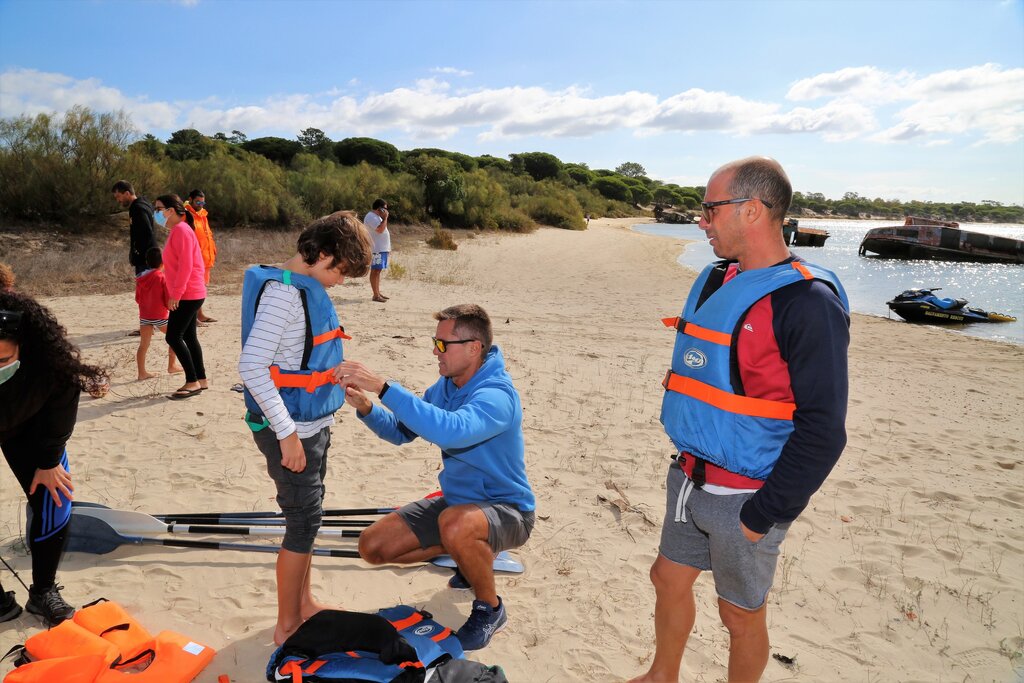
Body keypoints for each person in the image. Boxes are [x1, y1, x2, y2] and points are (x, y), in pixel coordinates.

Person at [630, 157, 850, 683]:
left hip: (747, 494)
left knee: (739, 614)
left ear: (751, 210)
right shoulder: (713, 280)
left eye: (710, 208)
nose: (701, 220)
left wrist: (763, 516)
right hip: (687, 476)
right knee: (667, 577)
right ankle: (663, 675)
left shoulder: (807, 302)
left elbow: (825, 430)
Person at [336, 304, 536, 652]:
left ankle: (491, 608)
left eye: (443, 344)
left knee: (456, 524)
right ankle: (468, 556)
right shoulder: (446, 385)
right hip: (458, 506)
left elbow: (451, 431)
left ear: (474, 348)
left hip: (508, 511)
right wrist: (367, 408)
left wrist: (384, 387)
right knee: (373, 547)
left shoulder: (497, 395)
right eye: (435, 342)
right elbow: (402, 431)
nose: (434, 351)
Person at [238, 211, 372, 645]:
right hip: (290, 428)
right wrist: (287, 435)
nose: (340, 282)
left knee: (310, 519)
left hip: (311, 422)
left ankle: (305, 604)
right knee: (301, 522)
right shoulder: (282, 297)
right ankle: (287, 624)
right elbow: (252, 367)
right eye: (341, 272)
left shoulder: (301, 291)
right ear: (322, 254)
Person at [0, 290, 109, 625]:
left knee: (55, 495)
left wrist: (48, 461)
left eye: (3, 360)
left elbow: (61, 413)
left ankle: (43, 592)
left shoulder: (50, 366)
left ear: (24, 347)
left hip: (28, 428)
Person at [155, 194, 208, 400]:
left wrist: (175, 294)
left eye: (159, 209)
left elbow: (186, 266)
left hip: (188, 294)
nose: (156, 213)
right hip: (190, 292)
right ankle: (201, 379)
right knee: (189, 336)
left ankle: (192, 381)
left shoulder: (181, 231)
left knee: (173, 336)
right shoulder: (179, 230)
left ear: (170, 210)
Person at [134, 247, 182, 380]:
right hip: (160, 316)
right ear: (164, 262)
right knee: (175, 337)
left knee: (143, 345)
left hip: (144, 316)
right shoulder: (161, 277)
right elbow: (167, 299)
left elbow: (137, 299)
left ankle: (141, 373)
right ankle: (172, 365)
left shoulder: (140, 277)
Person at [184, 190, 218, 324]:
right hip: (195, 260)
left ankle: (200, 315)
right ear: (190, 200)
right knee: (193, 289)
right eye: (198, 201)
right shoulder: (186, 215)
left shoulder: (203, 215)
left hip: (206, 259)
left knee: (202, 288)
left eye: (203, 202)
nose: (200, 204)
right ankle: (192, 318)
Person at [112, 180, 157, 277]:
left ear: (127, 193)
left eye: (118, 196)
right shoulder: (143, 204)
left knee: (146, 290)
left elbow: (147, 232)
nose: (118, 200)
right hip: (150, 258)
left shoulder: (138, 208)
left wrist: (137, 254)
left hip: (145, 261)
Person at [363, 198, 390, 303]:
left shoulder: (377, 217)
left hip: (380, 249)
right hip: (376, 249)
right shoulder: (371, 217)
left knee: (378, 271)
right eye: (385, 209)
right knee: (375, 271)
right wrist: (385, 218)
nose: (386, 211)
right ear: (380, 208)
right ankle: (375, 295)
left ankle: (377, 293)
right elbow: (380, 229)